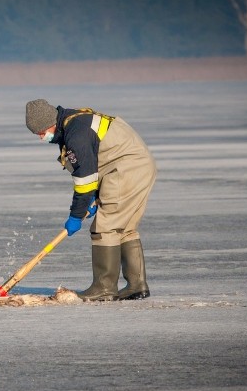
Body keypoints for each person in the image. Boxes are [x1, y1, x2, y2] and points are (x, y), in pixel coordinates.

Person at [25, 99, 157, 301]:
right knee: (125, 228)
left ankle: (104, 287)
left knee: (105, 228)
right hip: (137, 167)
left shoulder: (76, 133)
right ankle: (136, 285)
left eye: (42, 132)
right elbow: (96, 163)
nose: (42, 137)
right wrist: (95, 198)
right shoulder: (75, 121)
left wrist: (76, 215)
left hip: (125, 170)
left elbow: (85, 180)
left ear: (50, 121)